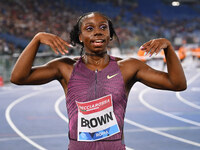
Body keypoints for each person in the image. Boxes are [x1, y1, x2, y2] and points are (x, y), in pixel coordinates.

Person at [10, 12, 187, 150]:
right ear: (80, 37)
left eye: (103, 27)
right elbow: (18, 77)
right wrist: (37, 39)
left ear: (110, 35)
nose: (97, 32)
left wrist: (169, 48)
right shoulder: (65, 68)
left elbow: (177, 84)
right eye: (89, 28)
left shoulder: (129, 67)